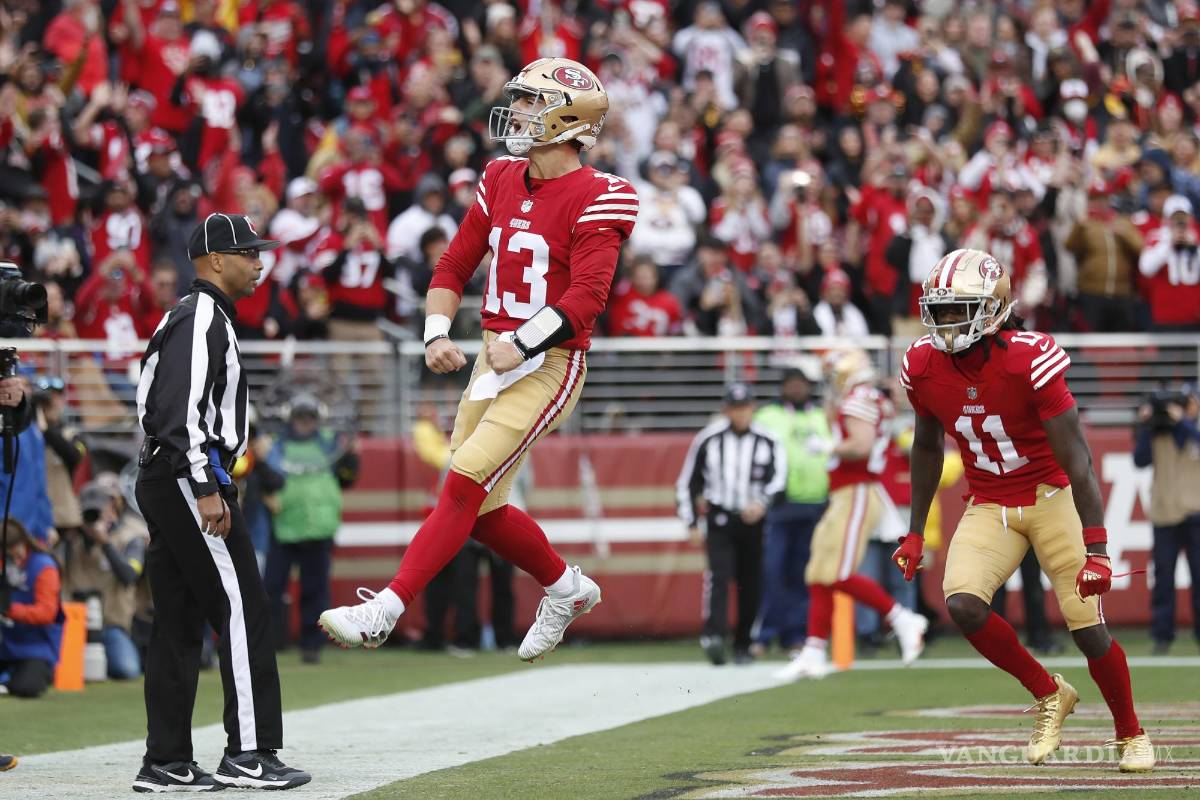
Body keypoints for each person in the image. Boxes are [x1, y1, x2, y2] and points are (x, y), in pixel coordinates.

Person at [319, 58, 637, 663]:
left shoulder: (601, 195)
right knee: (481, 508)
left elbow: (587, 299)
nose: (515, 113)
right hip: (494, 362)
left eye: (530, 103)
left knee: (464, 482)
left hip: (550, 365)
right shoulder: (498, 176)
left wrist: (523, 342)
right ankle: (567, 588)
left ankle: (385, 608)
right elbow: (455, 263)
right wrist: (436, 331)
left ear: (567, 120)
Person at [894, 248, 1154, 772]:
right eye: (940, 309)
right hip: (989, 501)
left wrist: (1098, 549)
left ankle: (1130, 732)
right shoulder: (921, 364)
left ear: (993, 309)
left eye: (958, 309)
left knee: (1087, 627)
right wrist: (915, 531)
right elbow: (925, 447)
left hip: (1051, 497)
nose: (945, 322)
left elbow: (1076, 458)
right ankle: (1048, 693)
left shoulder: (1028, 358)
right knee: (963, 604)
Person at [133, 213, 309, 791]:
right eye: (248, 252)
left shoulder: (201, 316)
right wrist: (206, 485)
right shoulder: (202, 316)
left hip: (172, 474)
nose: (260, 262)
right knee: (242, 607)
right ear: (213, 261)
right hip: (188, 474)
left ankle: (166, 760)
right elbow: (179, 411)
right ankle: (249, 752)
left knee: (179, 619)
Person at [776, 350, 927, 680]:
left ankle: (902, 618)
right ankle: (814, 651)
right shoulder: (864, 397)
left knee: (839, 573)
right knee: (819, 572)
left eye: (833, 374)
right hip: (845, 493)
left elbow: (860, 445)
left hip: (858, 491)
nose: (830, 383)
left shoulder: (860, 397)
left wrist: (828, 447)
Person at [677, 382, 785, 665]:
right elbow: (688, 481)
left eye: (745, 408)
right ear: (726, 410)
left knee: (751, 582)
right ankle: (714, 635)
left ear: (753, 408)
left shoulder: (768, 440)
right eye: (735, 408)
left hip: (753, 521)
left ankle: (743, 643)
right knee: (719, 577)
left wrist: (761, 504)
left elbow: (779, 480)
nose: (740, 414)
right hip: (720, 517)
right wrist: (690, 521)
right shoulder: (709, 439)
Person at [263, 394, 358, 665]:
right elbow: (265, 475)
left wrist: (351, 456)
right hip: (283, 524)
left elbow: (348, 477)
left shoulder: (331, 444)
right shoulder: (275, 446)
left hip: (319, 527)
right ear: (290, 419)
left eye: (309, 417)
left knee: (314, 590)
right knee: (271, 587)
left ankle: (312, 645)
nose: (304, 423)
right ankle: (268, 644)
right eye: (299, 417)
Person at [751, 369, 829, 656]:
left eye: (802, 384)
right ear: (783, 387)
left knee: (802, 574)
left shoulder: (820, 416)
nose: (797, 389)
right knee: (772, 571)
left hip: (814, 505)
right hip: (779, 506)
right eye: (792, 384)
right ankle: (763, 634)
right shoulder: (769, 415)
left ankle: (795, 635)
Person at [60, 477, 149, 680]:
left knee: (127, 669)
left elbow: (130, 575)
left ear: (114, 506)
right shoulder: (72, 539)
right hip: (74, 623)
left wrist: (105, 543)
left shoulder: (130, 536)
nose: (94, 517)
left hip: (111, 624)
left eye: (99, 510)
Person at [1133, 385, 1200, 654]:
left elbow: (1193, 437)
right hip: (1164, 515)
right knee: (1162, 579)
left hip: (1195, 513)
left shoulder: (1190, 429)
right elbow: (1140, 459)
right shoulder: (1157, 431)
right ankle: (1162, 635)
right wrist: (1148, 425)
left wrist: (1181, 421)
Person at [0, 520, 62, 699]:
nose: (15, 558)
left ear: (24, 542)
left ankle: (9, 681)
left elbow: (47, 613)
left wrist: (10, 610)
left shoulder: (44, 566)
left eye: (16, 551)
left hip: (36, 646)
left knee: (27, 688)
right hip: (6, 642)